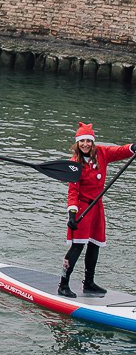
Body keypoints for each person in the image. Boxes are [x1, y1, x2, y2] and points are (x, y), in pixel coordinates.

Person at [58, 122, 135, 298]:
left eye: (89, 141)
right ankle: (63, 284)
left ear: (93, 142)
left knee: (95, 245)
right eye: (82, 141)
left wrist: (133, 147)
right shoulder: (74, 164)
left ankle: (89, 283)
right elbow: (73, 191)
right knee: (77, 247)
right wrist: (72, 215)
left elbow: (121, 151)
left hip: (97, 207)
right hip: (82, 207)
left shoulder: (102, 153)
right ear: (77, 143)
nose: (86, 144)